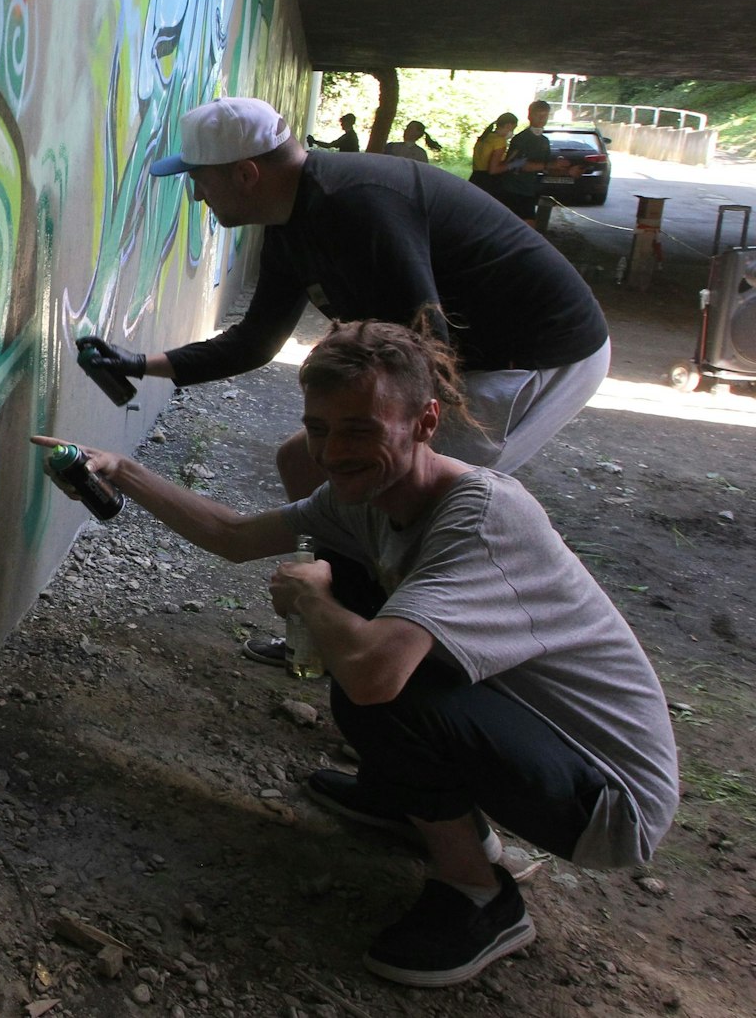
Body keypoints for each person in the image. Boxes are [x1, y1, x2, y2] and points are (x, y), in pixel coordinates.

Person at [36, 319, 679, 989]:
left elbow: (376, 676)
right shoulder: (372, 495)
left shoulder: (480, 514)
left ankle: (482, 896)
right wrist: (122, 470)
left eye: (361, 430)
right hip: (538, 742)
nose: (333, 451)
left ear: (425, 422)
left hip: (609, 800)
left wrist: (315, 598)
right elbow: (232, 534)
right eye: (319, 427)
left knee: (376, 680)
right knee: (372, 636)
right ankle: (439, 817)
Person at [79, 95, 611, 663]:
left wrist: (399, 445)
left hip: (534, 357)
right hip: (456, 355)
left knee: (404, 493)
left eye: (200, 180)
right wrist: (140, 364)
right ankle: (332, 631)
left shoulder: (358, 204)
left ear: (245, 173)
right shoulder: (289, 221)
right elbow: (256, 342)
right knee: (306, 462)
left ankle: (392, 655)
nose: (197, 194)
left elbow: (426, 336)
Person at [491, 100, 559, 227]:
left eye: (545, 115)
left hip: (530, 189)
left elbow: (546, 166)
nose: (542, 119)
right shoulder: (521, 139)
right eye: (538, 115)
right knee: (524, 225)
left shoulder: (544, 141)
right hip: (514, 188)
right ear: (529, 116)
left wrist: (567, 171)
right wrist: (550, 166)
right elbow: (521, 165)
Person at [468, 112, 516, 199]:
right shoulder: (499, 141)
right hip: (489, 182)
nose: (512, 132)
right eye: (513, 129)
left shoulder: (484, 137)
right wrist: (513, 165)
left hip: (475, 178)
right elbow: (493, 170)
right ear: (508, 125)